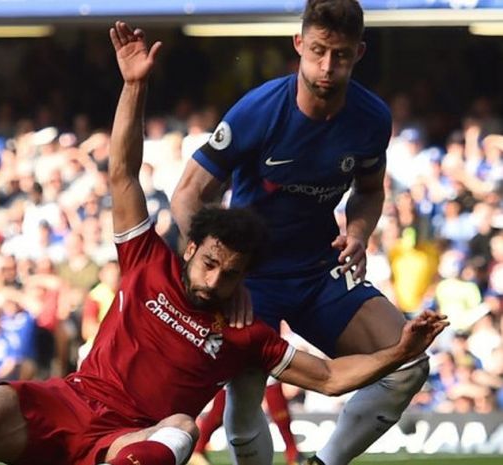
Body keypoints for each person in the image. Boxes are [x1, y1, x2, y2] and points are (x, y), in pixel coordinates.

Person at [0, 21, 448, 465]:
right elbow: (123, 172)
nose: (217, 280)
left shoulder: (246, 329)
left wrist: (401, 350)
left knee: (180, 429)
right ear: (191, 248)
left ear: (246, 278)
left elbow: (329, 379)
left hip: (130, 440)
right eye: (212, 263)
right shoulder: (147, 258)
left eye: (231, 274)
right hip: (67, 403)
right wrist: (133, 86)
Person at [171, 1, 424, 464]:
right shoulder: (258, 110)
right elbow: (188, 193)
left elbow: (369, 190)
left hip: (318, 270)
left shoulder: (371, 119)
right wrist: (220, 275)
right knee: (246, 392)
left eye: (341, 55)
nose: (327, 67)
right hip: (252, 280)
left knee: (408, 363)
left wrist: (360, 232)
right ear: (299, 45)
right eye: (318, 51)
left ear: (359, 53)